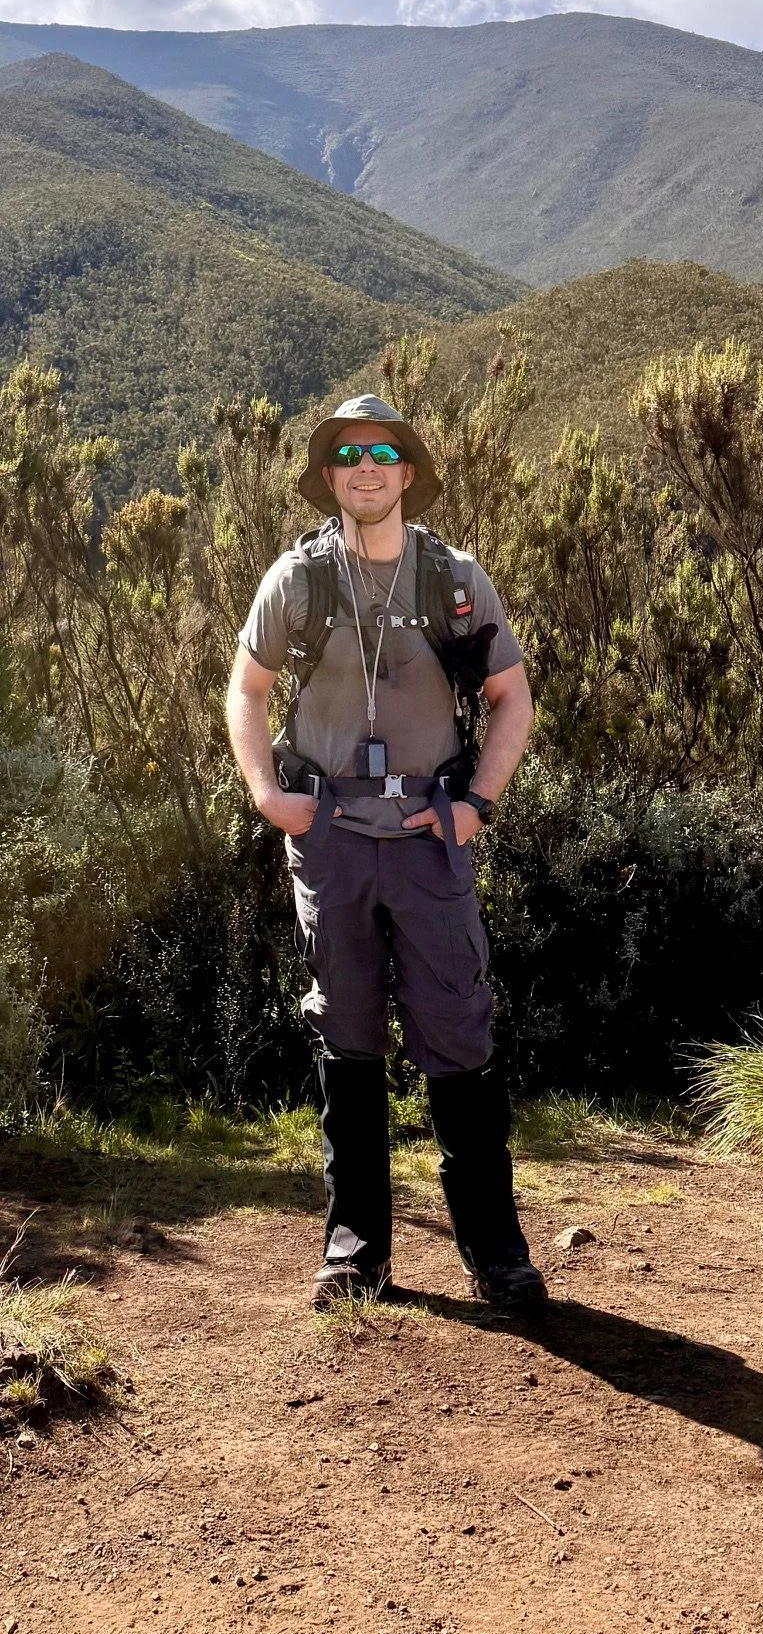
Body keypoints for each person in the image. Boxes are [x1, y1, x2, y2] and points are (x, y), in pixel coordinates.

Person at [226, 393, 547, 1311]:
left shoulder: (452, 578)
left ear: (405, 471)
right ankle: (355, 1251)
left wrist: (479, 801)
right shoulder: (300, 580)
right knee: (349, 1034)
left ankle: (496, 1252)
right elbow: (243, 692)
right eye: (347, 453)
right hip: (332, 844)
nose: (366, 466)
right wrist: (268, 795)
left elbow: (511, 695)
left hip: (427, 839)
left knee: (458, 1034)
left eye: (382, 452)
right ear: (330, 475)